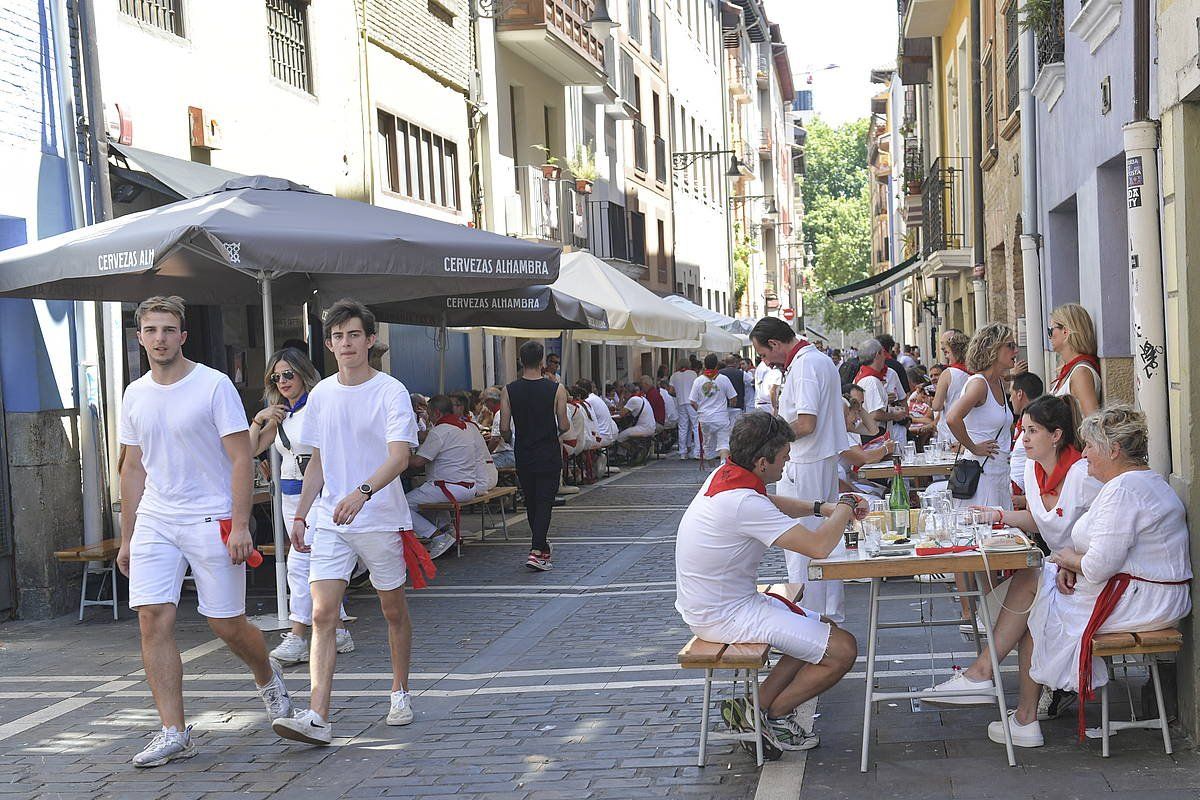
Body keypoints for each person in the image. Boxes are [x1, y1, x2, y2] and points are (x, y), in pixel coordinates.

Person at [117, 296, 292, 767]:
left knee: (226, 624)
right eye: (151, 330)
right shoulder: (134, 393)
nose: (160, 338)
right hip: (156, 517)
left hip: (210, 516)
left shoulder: (212, 385)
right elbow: (132, 468)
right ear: (140, 337)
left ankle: (266, 674)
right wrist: (128, 535)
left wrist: (239, 525)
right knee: (152, 617)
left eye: (168, 330)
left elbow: (241, 457)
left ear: (183, 335)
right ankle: (173, 731)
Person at [981, 407, 1188, 748]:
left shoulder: (1124, 490)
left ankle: (1010, 701)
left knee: (1035, 596)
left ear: (1114, 451)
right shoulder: (1139, 482)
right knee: (1037, 589)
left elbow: (1097, 566)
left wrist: (1064, 558)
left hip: (1144, 601)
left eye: (1091, 446)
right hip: (1144, 593)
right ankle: (1012, 703)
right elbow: (1103, 558)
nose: (1086, 453)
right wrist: (1067, 564)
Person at [274, 299, 421, 745]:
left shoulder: (390, 391)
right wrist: (301, 515)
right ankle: (318, 715)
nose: (346, 343)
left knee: (391, 610)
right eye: (337, 337)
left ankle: (399, 690)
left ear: (370, 340)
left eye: (353, 335)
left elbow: (400, 457)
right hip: (329, 519)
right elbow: (317, 459)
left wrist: (362, 492)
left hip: (378, 516)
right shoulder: (321, 395)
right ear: (329, 344)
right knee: (321, 613)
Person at [675, 412, 863, 756]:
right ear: (762, 462)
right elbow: (819, 547)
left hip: (719, 604)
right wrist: (846, 507)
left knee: (823, 626)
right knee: (842, 650)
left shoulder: (729, 475)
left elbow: (769, 503)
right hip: (724, 614)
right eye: (784, 458)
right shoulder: (743, 502)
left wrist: (822, 507)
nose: (787, 463)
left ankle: (754, 706)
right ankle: (773, 716)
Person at [924, 395, 1101, 712]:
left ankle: (987, 680)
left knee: (1027, 594)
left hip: (1088, 576)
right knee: (1020, 603)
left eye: (1032, 431)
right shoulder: (1034, 471)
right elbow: (1037, 519)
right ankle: (1022, 710)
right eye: (1024, 430)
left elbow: (1101, 534)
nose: (1024, 438)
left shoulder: (1083, 474)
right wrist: (997, 515)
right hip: (1063, 571)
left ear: (1056, 435)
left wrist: (1071, 561)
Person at [249, 347, 354, 666]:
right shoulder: (281, 412)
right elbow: (250, 449)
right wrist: (259, 419)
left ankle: (297, 634)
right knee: (317, 564)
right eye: (275, 376)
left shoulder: (319, 405)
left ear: (303, 373)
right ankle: (336, 629)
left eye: (288, 374)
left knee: (300, 563)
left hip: (319, 496)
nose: (282, 381)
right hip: (290, 497)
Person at [750, 317, 848, 622]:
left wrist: (770, 440)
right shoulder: (816, 360)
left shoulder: (805, 365)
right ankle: (827, 613)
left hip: (805, 462)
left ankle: (812, 615)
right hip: (818, 459)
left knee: (801, 544)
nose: (764, 361)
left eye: (764, 355)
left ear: (776, 344)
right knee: (825, 538)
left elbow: (806, 423)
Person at [501, 341, 570, 572]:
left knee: (531, 501)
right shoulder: (556, 389)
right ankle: (537, 550)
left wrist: (513, 437)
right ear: (542, 362)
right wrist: (553, 431)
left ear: (521, 361)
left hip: (524, 451)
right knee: (544, 502)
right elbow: (564, 424)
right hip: (548, 451)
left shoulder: (508, 390)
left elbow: (503, 427)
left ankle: (540, 548)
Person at [946, 323, 1017, 509]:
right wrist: (973, 447)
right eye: (1010, 345)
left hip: (998, 472)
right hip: (982, 474)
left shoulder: (999, 382)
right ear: (992, 348)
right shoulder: (979, 384)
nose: (1015, 350)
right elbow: (952, 417)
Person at [402, 395, 480, 559]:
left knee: (402, 506)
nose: (427, 416)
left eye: (429, 412)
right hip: (468, 486)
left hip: (449, 487)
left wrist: (397, 459)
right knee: (426, 496)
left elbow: (418, 462)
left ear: (436, 412)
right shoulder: (462, 427)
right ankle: (448, 531)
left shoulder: (440, 431)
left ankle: (438, 537)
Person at [1048, 303, 1102, 417]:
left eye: (1050, 330)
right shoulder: (1070, 369)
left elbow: (1092, 423)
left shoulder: (1081, 373)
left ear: (1065, 331)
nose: (1049, 336)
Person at [855, 339, 909, 444]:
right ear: (877, 355)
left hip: (870, 433)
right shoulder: (871, 381)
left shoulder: (862, 376)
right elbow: (875, 414)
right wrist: (895, 416)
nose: (885, 357)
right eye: (883, 353)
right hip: (874, 436)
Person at [688, 354, 737, 461]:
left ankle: (711, 472)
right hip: (721, 417)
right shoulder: (724, 379)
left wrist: (700, 410)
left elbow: (692, 401)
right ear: (716, 365)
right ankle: (723, 465)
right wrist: (727, 407)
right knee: (724, 443)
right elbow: (733, 398)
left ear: (705, 365)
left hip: (705, 418)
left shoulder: (698, 381)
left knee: (708, 445)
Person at [1008, 372, 1045, 504]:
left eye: (1011, 394)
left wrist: (1026, 500)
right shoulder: (1022, 422)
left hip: (1020, 493)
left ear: (1019, 394)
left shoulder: (1040, 424)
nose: (1010, 399)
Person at [453, 393, 498, 496]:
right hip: (484, 476)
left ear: (461, 407)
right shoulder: (469, 425)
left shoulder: (462, 427)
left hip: (479, 480)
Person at [932, 331, 972, 447]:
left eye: (948, 352)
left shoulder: (948, 373)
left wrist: (933, 401)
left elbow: (937, 406)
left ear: (955, 352)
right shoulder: (975, 373)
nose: (946, 356)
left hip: (950, 430)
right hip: (968, 428)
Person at [670, 358, 700, 460]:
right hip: (692, 402)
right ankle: (697, 452)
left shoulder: (674, 376)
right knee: (696, 426)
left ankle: (682, 452)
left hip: (680, 403)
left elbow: (671, 391)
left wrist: (679, 393)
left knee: (682, 427)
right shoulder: (693, 374)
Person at [579, 378, 617, 447]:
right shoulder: (594, 397)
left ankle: (597, 457)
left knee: (579, 444)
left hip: (602, 436)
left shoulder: (588, 400)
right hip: (608, 434)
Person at [905, 367, 936, 444]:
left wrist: (912, 419)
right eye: (931, 376)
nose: (923, 398)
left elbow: (929, 420)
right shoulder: (912, 398)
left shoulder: (930, 400)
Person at [719, 354, 748, 429]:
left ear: (725, 363)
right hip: (737, 405)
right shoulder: (741, 373)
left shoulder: (719, 373)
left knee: (725, 429)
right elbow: (752, 381)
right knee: (736, 429)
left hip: (723, 406)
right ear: (735, 363)